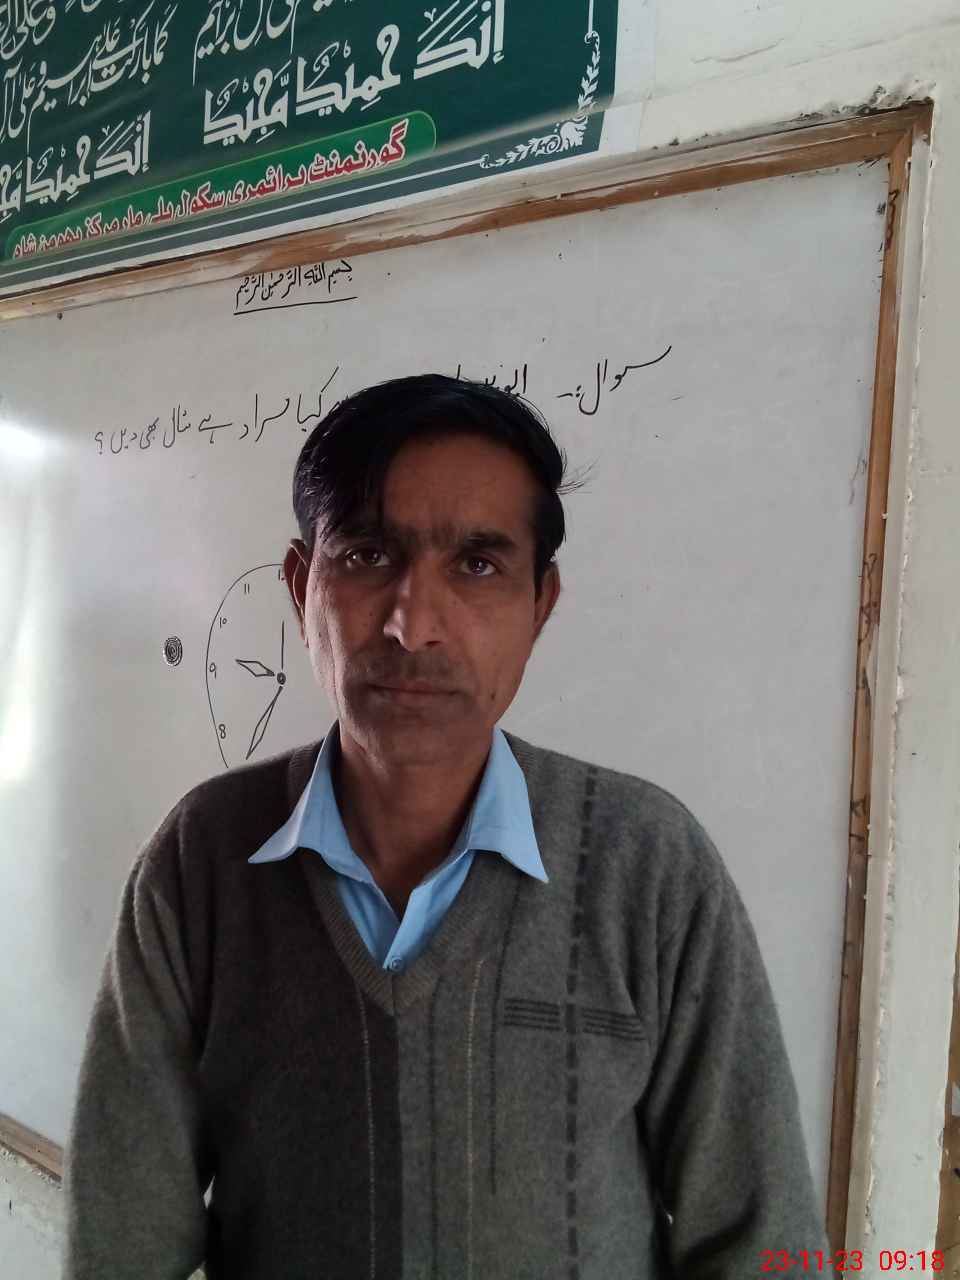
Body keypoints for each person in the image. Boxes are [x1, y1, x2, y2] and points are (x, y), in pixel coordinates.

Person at [62, 373, 829, 1278]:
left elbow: (764, 1243)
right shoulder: (202, 861)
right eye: (366, 556)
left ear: (540, 605)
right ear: (302, 587)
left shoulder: (648, 866)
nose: (412, 625)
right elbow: (119, 1244)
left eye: (477, 565)